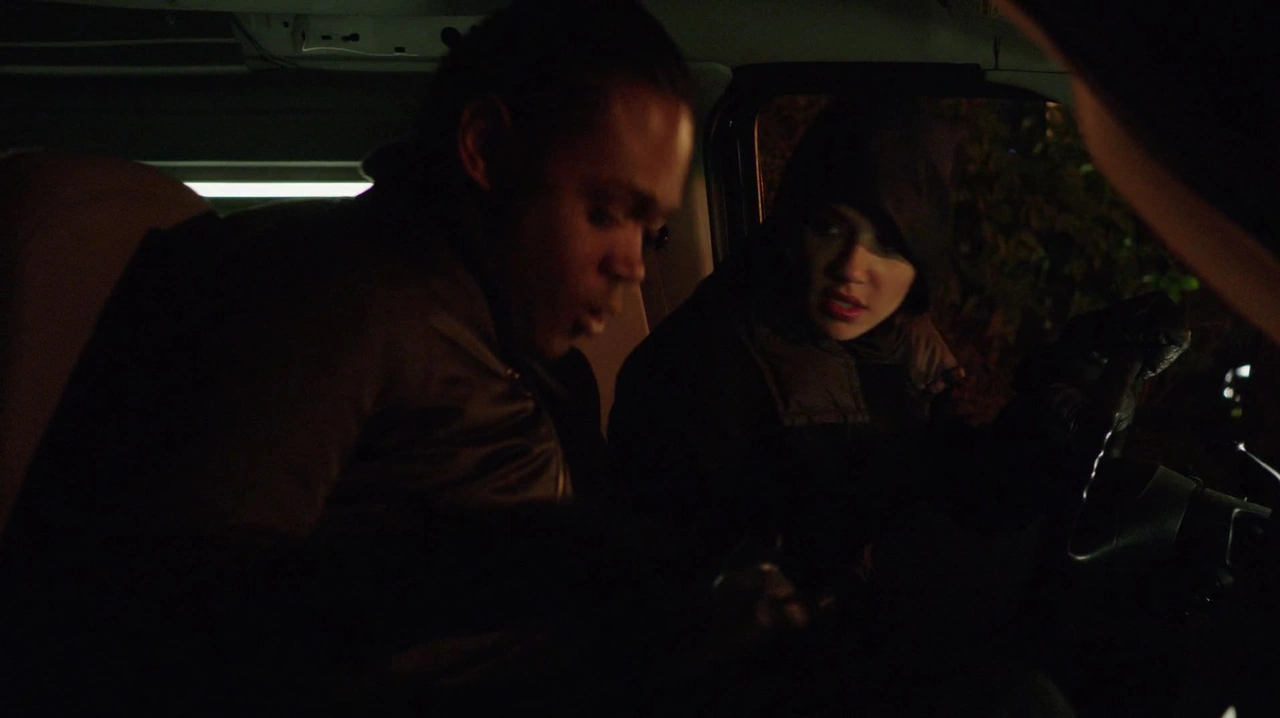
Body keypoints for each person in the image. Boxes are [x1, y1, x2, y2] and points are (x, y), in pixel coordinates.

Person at [0, 1, 699, 714]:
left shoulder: (521, 348)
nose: (633, 265)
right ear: (486, 148)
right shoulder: (332, 295)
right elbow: (160, 618)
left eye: (652, 231)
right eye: (605, 211)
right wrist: (491, 563)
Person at [608, 94, 1189, 715]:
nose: (851, 268)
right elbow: (659, 586)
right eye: (830, 227)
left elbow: (979, 492)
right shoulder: (704, 359)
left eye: (887, 243)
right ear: (793, 225)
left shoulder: (899, 343)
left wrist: (1075, 380)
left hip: (840, 636)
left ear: (921, 253)